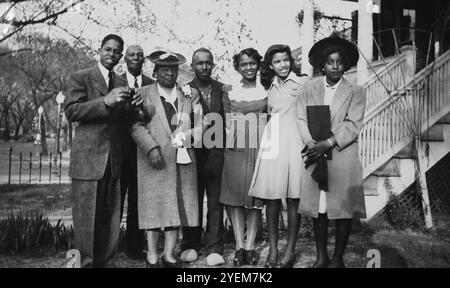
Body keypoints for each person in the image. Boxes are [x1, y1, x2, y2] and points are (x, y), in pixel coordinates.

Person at [64, 34, 142, 268]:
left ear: (121, 56)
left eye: (116, 51)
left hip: (114, 160)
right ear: (100, 50)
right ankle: (86, 264)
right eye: (107, 49)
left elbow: (126, 120)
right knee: (87, 219)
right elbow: (72, 111)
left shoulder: (121, 82)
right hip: (88, 161)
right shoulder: (81, 77)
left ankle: (107, 262)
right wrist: (105, 102)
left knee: (111, 217)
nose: (111, 54)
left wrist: (136, 105)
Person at [296, 34, 366, 268]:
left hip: (341, 154)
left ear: (345, 64)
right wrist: (310, 144)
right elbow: (300, 118)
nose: (335, 66)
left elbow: (353, 124)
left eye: (339, 62)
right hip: (315, 153)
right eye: (330, 62)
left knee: (342, 207)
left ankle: (337, 259)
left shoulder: (356, 91)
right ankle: (321, 257)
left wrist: (329, 142)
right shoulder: (309, 88)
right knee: (320, 207)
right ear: (322, 65)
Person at [130, 50, 203, 268]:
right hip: (154, 160)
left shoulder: (189, 94)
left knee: (176, 207)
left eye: (173, 69)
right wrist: (150, 148)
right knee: (153, 207)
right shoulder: (142, 93)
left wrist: (189, 137)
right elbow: (135, 125)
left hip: (182, 160)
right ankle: (152, 254)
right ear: (155, 71)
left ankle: (169, 254)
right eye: (164, 69)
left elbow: (202, 123)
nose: (169, 73)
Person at [248, 44, 307, 268]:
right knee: (272, 200)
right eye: (277, 61)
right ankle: (273, 249)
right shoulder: (268, 87)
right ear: (270, 65)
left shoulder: (302, 82)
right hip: (272, 143)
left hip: (295, 143)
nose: (282, 65)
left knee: (293, 199)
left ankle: (290, 251)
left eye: (285, 60)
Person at [219, 48, 267, 266]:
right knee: (235, 199)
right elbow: (228, 122)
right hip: (236, 148)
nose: (248, 67)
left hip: (260, 148)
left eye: (252, 63)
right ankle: (239, 247)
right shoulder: (229, 90)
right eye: (244, 64)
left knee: (255, 200)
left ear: (258, 65)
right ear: (237, 67)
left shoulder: (266, 89)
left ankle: (250, 246)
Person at [180, 48, 226, 266]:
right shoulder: (184, 90)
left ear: (213, 64)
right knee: (192, 200)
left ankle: (215, 248)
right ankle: (190, 245)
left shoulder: (222, 89)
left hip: (217, 153)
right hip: (192, 154)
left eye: (208, 62)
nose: (204, 66)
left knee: (216, 202)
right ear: (192, 66)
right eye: (200, 63)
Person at [120, 44, 154, 259]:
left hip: (142, 151)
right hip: (119, 150)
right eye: (131, 55)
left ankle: (134, 247)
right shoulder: (115, 82)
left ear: (144, 59)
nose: (135, 58)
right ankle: (108, 247)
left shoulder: (152, 85)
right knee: (115, 201)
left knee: (138, 201)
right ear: (125, 58)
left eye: (139, 55)